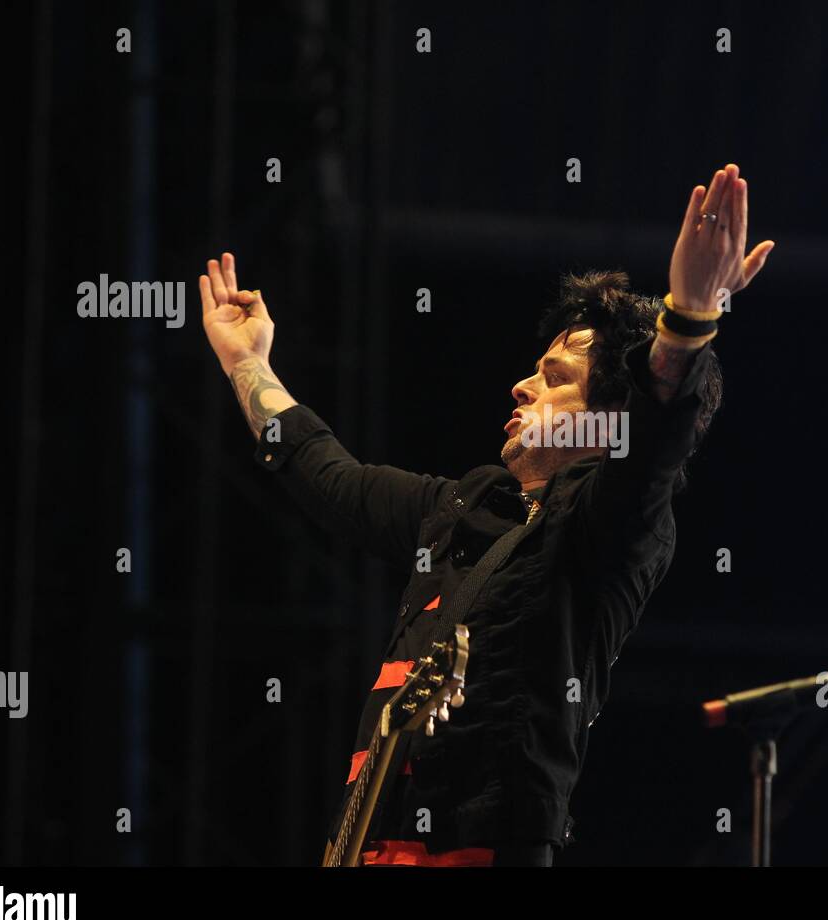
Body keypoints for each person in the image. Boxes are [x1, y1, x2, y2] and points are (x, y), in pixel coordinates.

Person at [198, 163, 774, 866]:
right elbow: (330, 476)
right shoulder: (464, 506)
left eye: (556, 378)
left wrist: (686, 321)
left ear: (606, 422)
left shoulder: (609, 530)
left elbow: (653, 445)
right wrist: (247, 363)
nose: (522, 384)